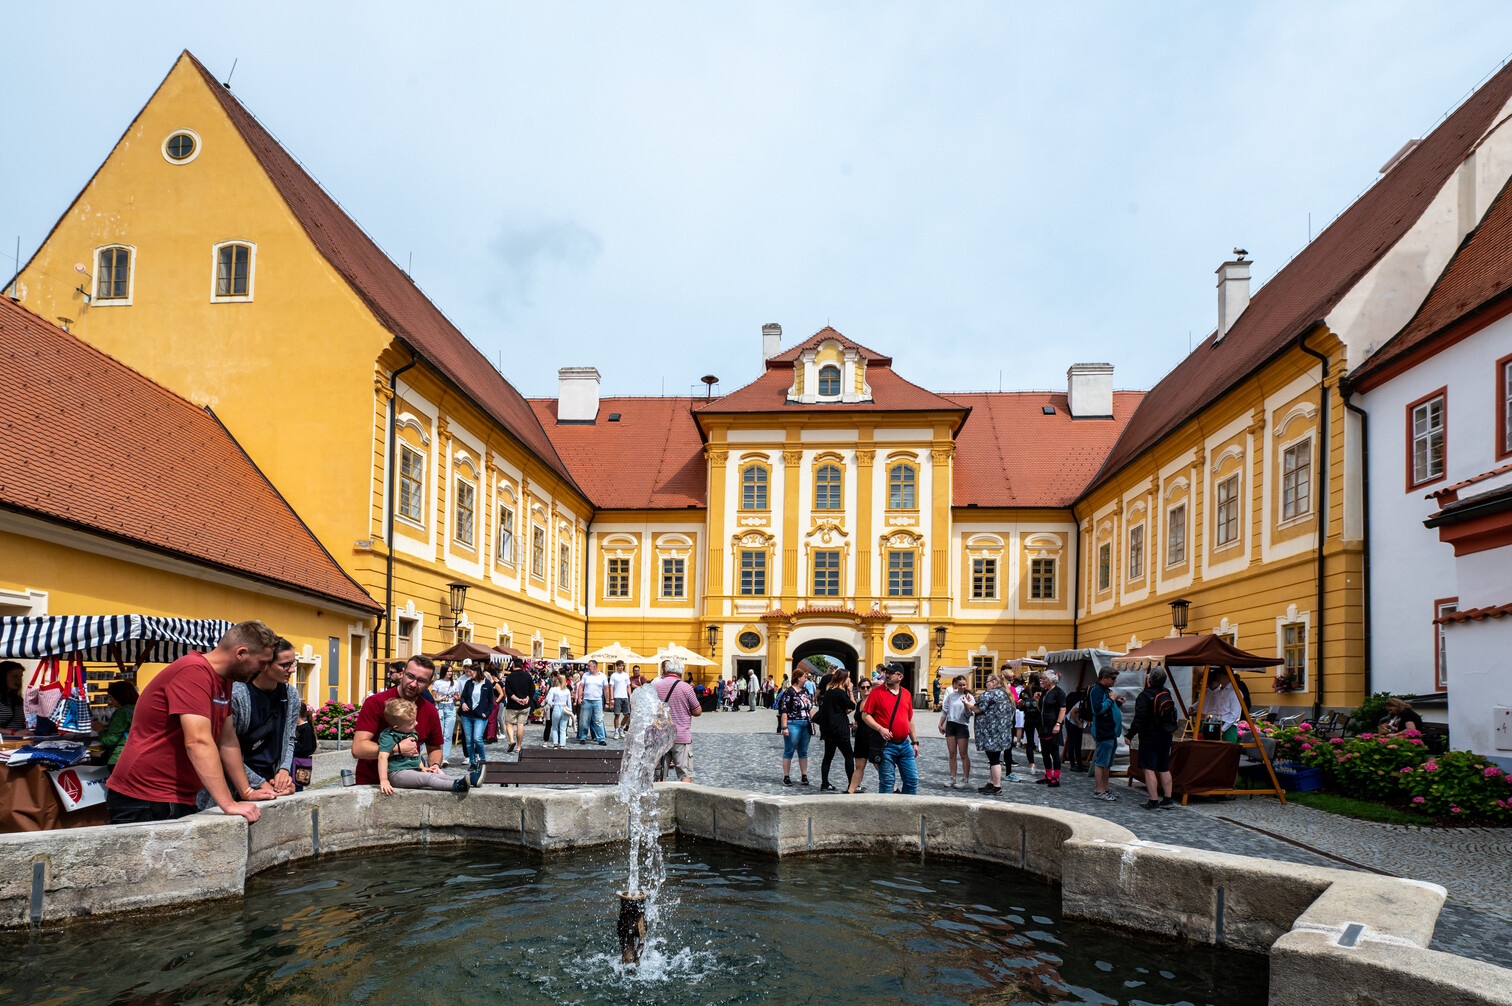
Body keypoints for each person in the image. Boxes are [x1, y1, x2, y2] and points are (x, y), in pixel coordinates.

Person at [106, 620, 280, 824]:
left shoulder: (224, 680)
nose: (264, 669)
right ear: (240, 653)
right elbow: (198, 741)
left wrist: (247, 791)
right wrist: (228, 803)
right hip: (145, 797)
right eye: (262, 662)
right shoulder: (193, 671)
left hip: (177, 796)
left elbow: (227, 739)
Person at [209, 636, 300, 807]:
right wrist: (259, 783)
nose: (292, 670)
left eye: (293, 663)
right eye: (284, 665)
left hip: (269, 779)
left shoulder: (291, 695)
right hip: (234, 784)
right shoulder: (237, 694)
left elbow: (289, 738)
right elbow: (223, 748)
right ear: (265, 665)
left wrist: (283, 771)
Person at [352, 655, 445, 786]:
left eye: (421, 680)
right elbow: (358, 749)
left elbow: (435, 748)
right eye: (410, 676)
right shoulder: (375, 702)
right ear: (402, 673)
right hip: (372, 784)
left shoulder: (430, 711)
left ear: (429, 684)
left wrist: (435, 765)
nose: (413, 684)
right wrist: (397, 749)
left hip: (409, 784)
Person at [378, 698, 469, 794]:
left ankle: (468, 779)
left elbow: (415, 753)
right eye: (411, 723)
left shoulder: (410, 732)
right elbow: (382, 757)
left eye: (415, 720)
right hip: (397, 773)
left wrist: (422, 767)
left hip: (412, 770)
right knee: (427, 778)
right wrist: (384, 780)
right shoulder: (389, 736)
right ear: (397, 727)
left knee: (437, 775)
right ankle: (455, 785)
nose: (416, 723)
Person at [861, 663, 919, 795]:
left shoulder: (906, 694)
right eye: (886, 672)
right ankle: (887, 809)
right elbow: (865, 715)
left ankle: (908, 807)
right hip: (886, 746)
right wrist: (880, 729)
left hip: (905, 745)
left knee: (912, 780)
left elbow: (909, 719)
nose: (887, 675)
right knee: (887, 783)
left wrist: (914, 742)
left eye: (891, 673)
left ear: (900, 677)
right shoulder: (877, 692)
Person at [1128, 668, 1178, 810]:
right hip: (1166, 734)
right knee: (1164, 767)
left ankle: (1153, 800)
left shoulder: (1145, 695)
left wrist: (1130, 735)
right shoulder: (1166, 692)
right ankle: (1167, 799)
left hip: (1150, 736)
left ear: (1150, 680)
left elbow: (1139, 718)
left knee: (1148, 768)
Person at [652, 660, 703, 781]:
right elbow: (697, 711)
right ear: (681, 672)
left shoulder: (655, 686)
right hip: (681, 736)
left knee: (660, 775)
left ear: (666, 671)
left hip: (661, 736)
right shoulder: (686, 687)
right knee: (685, 774)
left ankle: (660, 793)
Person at [965, 673, 1016, 794]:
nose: (986, 684)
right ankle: (992, 783)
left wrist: (967, 704)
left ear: (993, 682)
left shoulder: (989, 694)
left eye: (987, 681)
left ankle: (997, 786)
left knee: (994, 760)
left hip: (990, 732)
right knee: (994, 758)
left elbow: (978, 709)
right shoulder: (1007, 694)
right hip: (1002, 732)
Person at [1088, 667, 1125, 802]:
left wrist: (1117, 702)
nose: (1115, 681)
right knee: (1101, 762)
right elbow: (1098, 709)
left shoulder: (1106, 690)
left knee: (1107, 762)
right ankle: (1098, 790)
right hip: (1103, 731)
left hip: (1111, 732)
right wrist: (1111, 700)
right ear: (1104, 677)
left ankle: (1106, 787)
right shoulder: (1097, 690)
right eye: (1113, 678)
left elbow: (1108, 708)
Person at [818, 668, 857, 792]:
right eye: (848, 677)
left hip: (829, 730)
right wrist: (850, 691)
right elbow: (852, 705)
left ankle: (824, 783)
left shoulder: (829, 692)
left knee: (828, 757)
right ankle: (852, 784)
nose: (849, 680)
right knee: (848, 756)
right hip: (840, 729)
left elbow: (836, 709)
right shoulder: (840, 693)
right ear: (843, 679)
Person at [777, 669, 814, 785]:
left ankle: (804, 775)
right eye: (804, 677)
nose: (806, 679)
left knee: (803, 751)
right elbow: (784, 710)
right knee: (789, 750)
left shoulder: (805, 691)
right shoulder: (789, 692)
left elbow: (810, 707)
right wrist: (784, 727)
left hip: (806, 723)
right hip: (793, 723)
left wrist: (813, 722)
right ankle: (786, 776)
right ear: (798, 678)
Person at [457, 663, 495, 770]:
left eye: (471, 672)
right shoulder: (469, 683)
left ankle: (482, 759)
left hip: (480, 716)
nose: (469, 674)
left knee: (477, 738)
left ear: (477, 671)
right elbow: (463, 697)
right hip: (467, 715)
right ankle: (473, 762)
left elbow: (491, 701)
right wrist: (463, 703)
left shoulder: (487, 684)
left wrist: (487, 713)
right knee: (469, 740)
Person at [938, 674, 973, 789]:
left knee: (963, 754)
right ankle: (952, 778)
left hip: (962, 725)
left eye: (964, 685)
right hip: (951, 725)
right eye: (960, 685)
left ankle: (965, 779)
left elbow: (968, 715)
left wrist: (966, 704)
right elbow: (945, 711)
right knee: (952, 753)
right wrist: (940, 724)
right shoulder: (951, 696)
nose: (962, 687)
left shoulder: (969, 697)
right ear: (955, 685)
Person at [847, 679, 880, 793]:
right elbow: (860, 719)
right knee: (859, 767)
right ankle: (850, 791)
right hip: (860, 737)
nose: (865, 689)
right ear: (859, 689)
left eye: (868, 687)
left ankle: (893, 789)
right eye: (863, 687)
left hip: (873, 737)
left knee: (879, 766)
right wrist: (855, 724)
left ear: (871, 688)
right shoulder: (859, 703)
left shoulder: (875, 701)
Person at [1036, 670, 1067, 788]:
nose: (1042, 680)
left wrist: (1058, 724)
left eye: (1044, 679)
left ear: (1051, 680)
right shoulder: (1044, 692)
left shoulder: (1059, 692)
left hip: (1053, 726)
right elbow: (1040, 709)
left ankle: (1056, 778)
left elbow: (1063, 709)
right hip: (1043, 726)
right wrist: (1036, 700)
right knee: (1045, 752)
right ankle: (1048, 775)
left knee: (1054, 752)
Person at [96, 680, 139, 766]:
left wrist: (100, 730)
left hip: (121, 759)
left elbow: (109, 740)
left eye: (110, 696)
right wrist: (110, 726)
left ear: (118, 696)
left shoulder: (121, 713)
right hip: (138, 756)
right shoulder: (140, 708)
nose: (110, 700)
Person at [502, 660, 536, 753]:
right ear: (522, 666)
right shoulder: (527, 676)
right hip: (525, 705)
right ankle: (519, 747)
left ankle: (511, 740)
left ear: (513, 665)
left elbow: (508, 692)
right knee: (520, 724)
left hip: (512, 705)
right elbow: (532, 690)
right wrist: (526, 699)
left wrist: (517, 699)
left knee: (509, 723)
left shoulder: (509, 676)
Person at [432, 666, 460, 766]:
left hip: (450, 708)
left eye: (451, 671)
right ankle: (438, 756)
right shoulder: (437, 683)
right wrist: (440, 700)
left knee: (448, 734)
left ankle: (445, 758)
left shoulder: (455, 683)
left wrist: (456, 697)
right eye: (448, 671)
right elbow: (433, 698)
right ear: (444, 672)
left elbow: (457, 696)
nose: (450, 673)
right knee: (440, 733)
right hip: (440, 708)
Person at [1204, 674, 1243, 743]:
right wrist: (1211, 718)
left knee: (1227, 748)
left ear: (1227, 676)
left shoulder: (1235, 692)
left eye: (1220, 675)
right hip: (1217, 724)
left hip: (1229, 727)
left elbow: (1234, 714)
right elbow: (1216, 709)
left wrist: (1222, 729)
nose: (1218, 677)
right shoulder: (1219, 692)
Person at [578, 660, 609, 745]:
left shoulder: (602, 676)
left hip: (597, 701)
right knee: (584, 720)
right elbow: (581, 686)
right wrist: (579, 698)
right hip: (587, 700)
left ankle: (601, 739)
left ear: (594, 666)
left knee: (598, 720)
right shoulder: (585, 675)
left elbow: (606, 689)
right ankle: (583, 737)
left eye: (589, 666)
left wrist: (607, 701)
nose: (587, 667)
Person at [1018, 672, 1042, 777]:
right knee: (1044, 740)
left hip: (1028, 718)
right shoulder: (1041, 690)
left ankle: (1032, 765)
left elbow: (1020, 707)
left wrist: (1023, 706)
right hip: (1039, 718)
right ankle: (1047, 764)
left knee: (1030, 742)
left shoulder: (1024, 691)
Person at [1062, 685, 1087, 773]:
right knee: (1072, 743)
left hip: (1077, 721)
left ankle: (1079, 764)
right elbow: (1072, 712)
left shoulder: (1087, 701)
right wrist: (1079, 723)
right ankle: (1073, 765)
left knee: (1078, 744)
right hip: (1071, 721)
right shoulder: (1082, 701)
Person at [291, 703, 316, 791]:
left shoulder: (306, 728)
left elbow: (307, 748)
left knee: (297, 786)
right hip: (294, 761)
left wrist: (293, 747)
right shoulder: (294, 727)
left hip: (300, 763)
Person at [545, 673, 573, 747]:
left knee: (555, 727)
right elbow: (569, 703)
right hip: (564, 707)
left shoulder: (553, 689)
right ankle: (562, 744)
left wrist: (552, 705)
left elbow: (549, 701)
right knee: (563, 728)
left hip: (556, 707)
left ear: (558, 681)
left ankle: (555, 743)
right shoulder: (567, 690)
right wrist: (570, 711)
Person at [0, 661, 25, 731]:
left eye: (20, 677)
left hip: (16, 737)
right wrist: (12, 732)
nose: (18, 680)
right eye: (15, 676)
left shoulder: (17, 699)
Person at [609, 660, 632, 738]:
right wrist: (612, 698)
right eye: (620, 666)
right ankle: (616, 731)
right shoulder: (614, 675)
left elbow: (628, 686)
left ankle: (621, 728)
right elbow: (611, 687)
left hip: (625, 696)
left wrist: (630, 696)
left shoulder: (626, 675)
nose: (621, 667)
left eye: (622, 666)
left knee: (627, 714)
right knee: (617, 714)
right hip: (617, 696)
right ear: (617, 666)